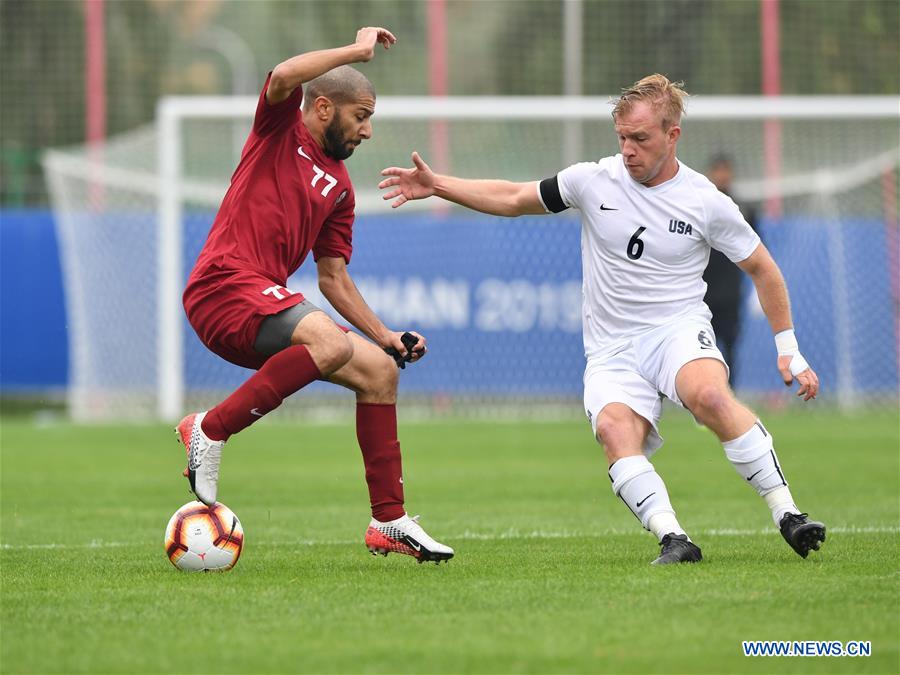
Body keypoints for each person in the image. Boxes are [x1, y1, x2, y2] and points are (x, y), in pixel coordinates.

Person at [379, 74, 825, 565]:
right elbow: (511, 198)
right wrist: (437, 184)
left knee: (711, 396)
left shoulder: (705, 200)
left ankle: (788, 514)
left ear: (673, 135)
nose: (628, 149)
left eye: (641, 138)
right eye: (622, 138)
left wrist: (789, 349)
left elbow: (763, 268)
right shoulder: (592, 180)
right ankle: (674, 538)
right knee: (615, 431)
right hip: (611, 347)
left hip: (676, 329)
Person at [177, 27, 453, 564]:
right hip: (221, 286)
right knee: (327, 341)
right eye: (361, 116)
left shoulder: (342, 189)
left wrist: (387, 337)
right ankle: (208, 430)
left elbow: (334, 280)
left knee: (378, 372)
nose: (368, 130)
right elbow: (282, 75)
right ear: (323, 107)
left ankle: (389, 521)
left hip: (260, 305)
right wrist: (355, 51)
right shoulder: (277, 130)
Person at [702, 154, 759, 384]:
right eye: (717, 170)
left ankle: (729, 395)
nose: (721, 175)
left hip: (731, 292)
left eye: (725, 170)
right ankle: (705, 398)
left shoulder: (742, 209)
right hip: (702, 290)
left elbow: (756, 250)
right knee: (703, 349)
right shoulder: (699, 206)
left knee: (730, 347)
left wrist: (756, 288)